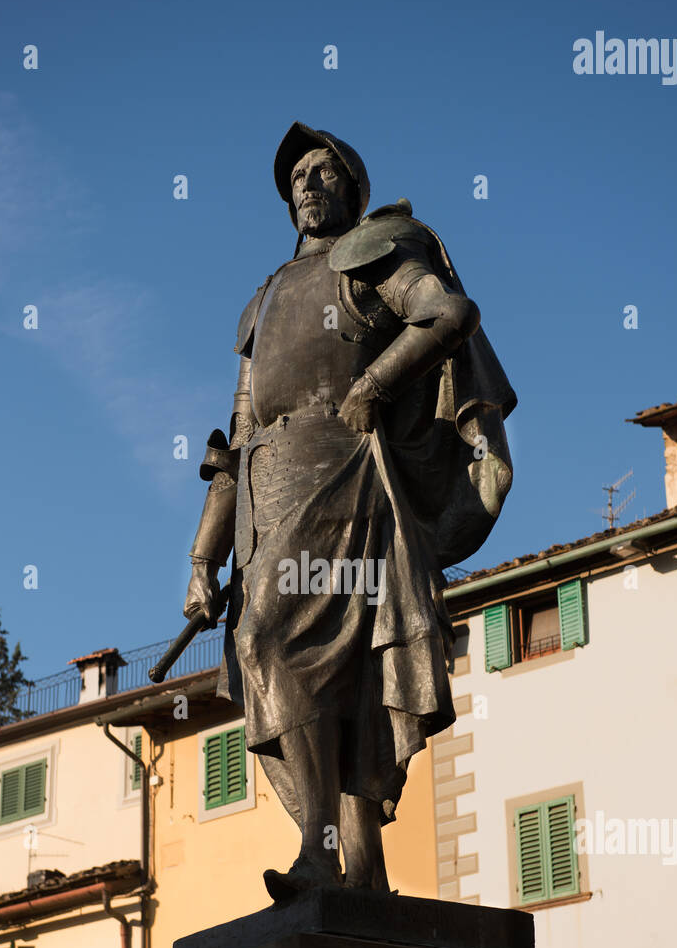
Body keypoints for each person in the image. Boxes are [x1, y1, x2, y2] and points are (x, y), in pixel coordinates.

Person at [183, 122, 516, 902]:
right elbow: (237, 439)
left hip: (345, 472)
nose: (307, 184)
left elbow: (447, 315)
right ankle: (361, 873)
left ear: (352, 187)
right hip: (268, 493)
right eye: (296, 175)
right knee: (347, 684)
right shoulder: (263, 299)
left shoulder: (374, 252)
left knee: (267, 639)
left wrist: (375, 385)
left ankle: (315, 850)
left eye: (323, 170)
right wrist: (203, 556)